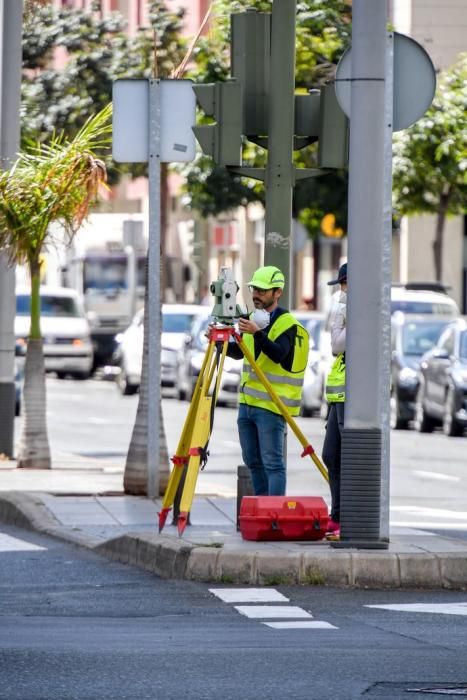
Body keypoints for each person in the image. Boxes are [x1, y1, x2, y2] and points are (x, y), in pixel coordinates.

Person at [226, 265, 309, 496]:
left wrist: (257, 333)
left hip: (271, 407)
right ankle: (263, 510)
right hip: (247, 404)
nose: (256, 295)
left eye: (263, 291)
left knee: (273, 464)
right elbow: (242, 351)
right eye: (254, 289)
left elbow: (278, 353)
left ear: (277, 292)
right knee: (252, 461)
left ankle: (275, 516)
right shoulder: (251, 319)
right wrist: (221, 344)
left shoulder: (287, 324)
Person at [322, 262, 347, 539]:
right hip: (337, 394)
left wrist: (339, 319)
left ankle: (344, 517)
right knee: (330, 454)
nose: (339, 292)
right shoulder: (344, 307)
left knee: (346, 456)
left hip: (350, 396)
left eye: (341, 285)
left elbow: (337, 345)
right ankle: (337, 515)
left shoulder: (356, 310)